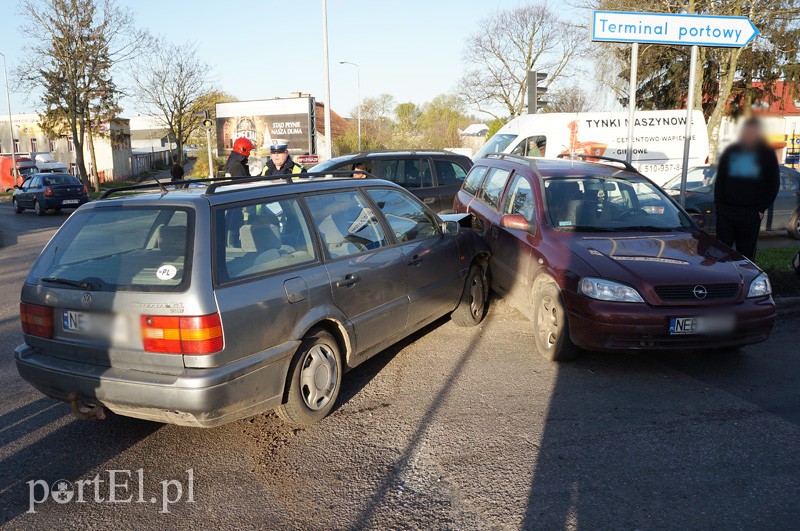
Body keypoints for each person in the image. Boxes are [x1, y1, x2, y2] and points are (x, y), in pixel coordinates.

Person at [714, 117, 780, 260]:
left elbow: (773, 184)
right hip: (726, 211)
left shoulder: (766, 154)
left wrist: (761, 208)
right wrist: (718, 205)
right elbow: (720, 179)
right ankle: (724, 279)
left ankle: (745, 281)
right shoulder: (732, 151)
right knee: (722, 252)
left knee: (746, 255)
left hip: (750, 212)